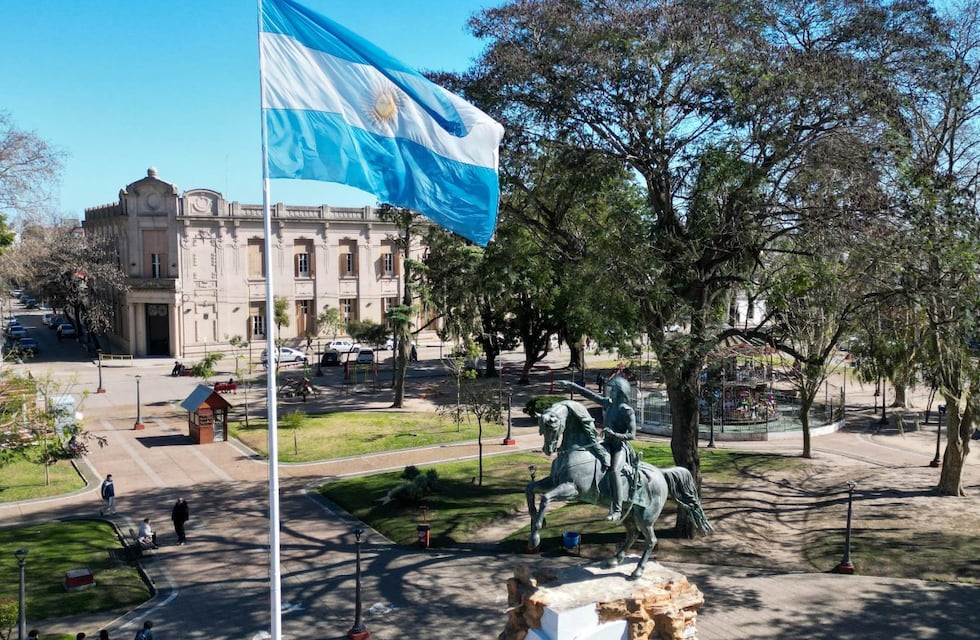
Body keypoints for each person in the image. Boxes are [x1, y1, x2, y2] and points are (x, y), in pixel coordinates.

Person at [560, 376, 636, 521]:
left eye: (613, 389)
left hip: (619, 447)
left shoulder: (626, 411)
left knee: (614, 471)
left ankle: (617, 509)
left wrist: (615, 434)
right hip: (606, 443)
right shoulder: (609, 403)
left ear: (620, 392)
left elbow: (632, 435)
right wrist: (571, 385)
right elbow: (590, 395)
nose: (610, 391)